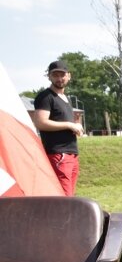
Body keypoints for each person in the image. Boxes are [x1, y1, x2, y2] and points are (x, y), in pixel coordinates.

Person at [32, 60, 84, 195]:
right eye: (55, 75)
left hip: (71, 154)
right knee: (64, 198)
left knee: (69, 195)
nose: (59, 78)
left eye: (62, 75)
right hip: (58, 154)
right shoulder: (46, 97)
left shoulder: (65, 98)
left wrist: (76, 125)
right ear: (49, 76)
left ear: (69, 76)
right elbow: (40, 122)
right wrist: (69, 125)